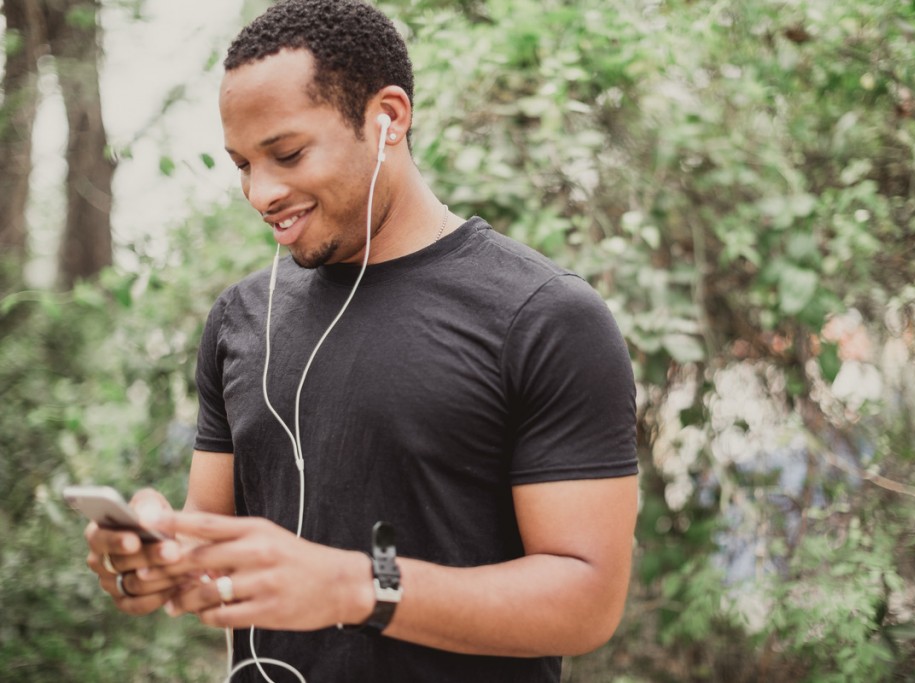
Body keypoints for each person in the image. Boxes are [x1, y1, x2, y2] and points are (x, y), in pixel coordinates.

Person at [82, 1, 638, 681]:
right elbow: (211, 543)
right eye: (242, 165)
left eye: (286, 154)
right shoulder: (239, 318)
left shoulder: (544, 316)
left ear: (389, 118)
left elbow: (588, 601)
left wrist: (355, 585)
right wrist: (156, 554)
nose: (261, 192)